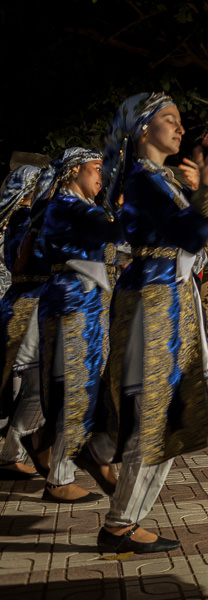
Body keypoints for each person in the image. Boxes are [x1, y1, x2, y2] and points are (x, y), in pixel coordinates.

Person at [99, 92, 208, 553]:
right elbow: (194, 232)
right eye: (169, 120)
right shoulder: (142, 181)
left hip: (170, 300)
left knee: (166, 414)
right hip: (153, 303)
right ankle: (119, 522)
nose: (179, 128)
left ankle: (123, 515)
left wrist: (200, 187)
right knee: (155, 415)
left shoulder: (165, 180)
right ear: (142, 130)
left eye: (180, 121)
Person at [35, 147, 122, 503]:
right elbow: (112, 232)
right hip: (72, 301)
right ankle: (59, 477)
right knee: (77, 387)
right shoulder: (67, 206)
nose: (100, 177)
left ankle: (50, 455)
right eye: (96, 169)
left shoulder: (75, 208)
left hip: (78, 300)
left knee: (77, 386)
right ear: (74, 171)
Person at [0, 165, 46, 479]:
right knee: (32, 386)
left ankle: (12, 453)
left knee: (22, 386)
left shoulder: (20, 219)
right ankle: (11, 454)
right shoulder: (24, 219)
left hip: (20, 304)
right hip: (24, 307)